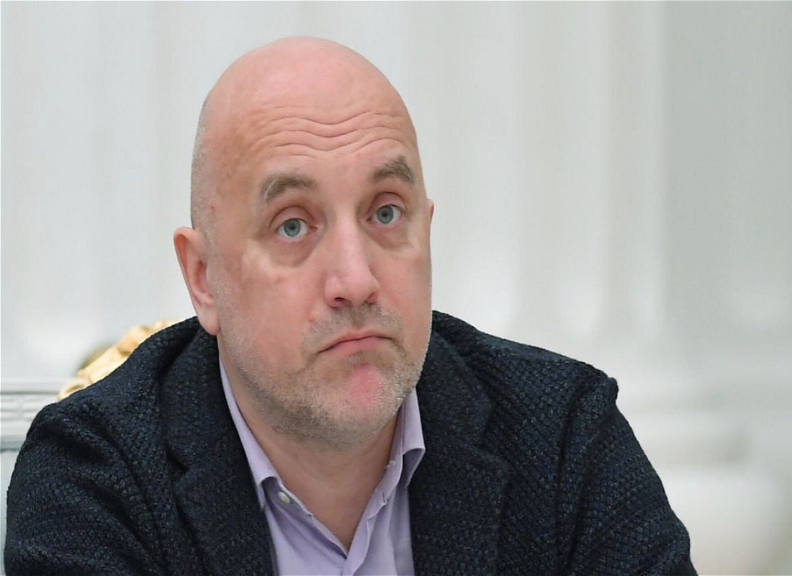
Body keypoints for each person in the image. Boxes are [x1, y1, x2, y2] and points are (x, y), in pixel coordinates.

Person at [4, 37, 695, 576]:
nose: (357, 280)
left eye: (385, 212)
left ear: (426, 230)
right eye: (293, 225)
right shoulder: (96, 478)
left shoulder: (563, 437)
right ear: (204, 278)